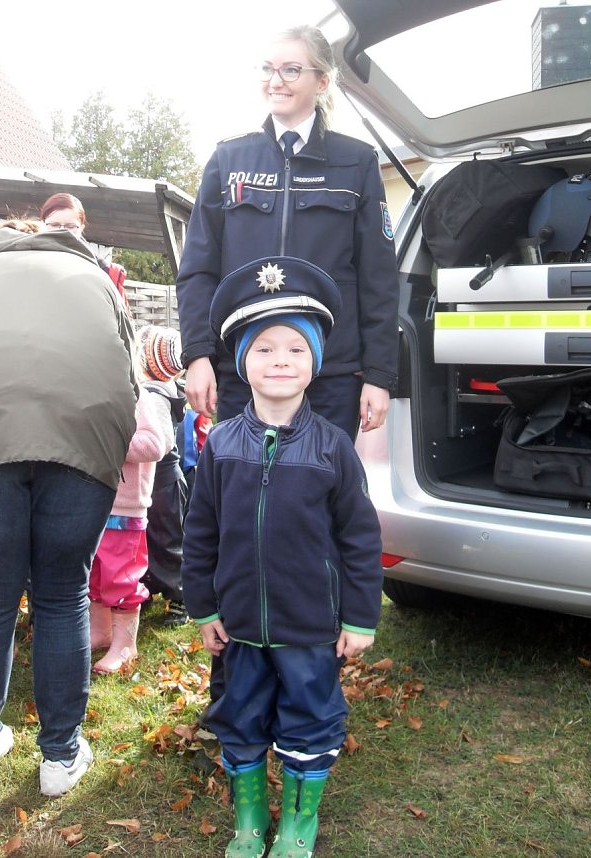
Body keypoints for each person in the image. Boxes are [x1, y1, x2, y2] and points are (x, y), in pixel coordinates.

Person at [181, 256, 383, 857]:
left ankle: (298, 821)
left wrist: (359, 617)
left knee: (309, 720)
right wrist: (203, 606)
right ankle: (248, 818)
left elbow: (359, 538)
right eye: (264, 349)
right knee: (238, 717)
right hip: (239, 625)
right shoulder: (221, 444)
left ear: (314, 364)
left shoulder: (333, 449)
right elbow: (201, 532)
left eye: (296, 349)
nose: (280, 361)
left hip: (310, 628)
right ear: (243, 361)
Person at [0, 221, 138, 796]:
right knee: (62, 595)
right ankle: (61, 757)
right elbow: (129, 374)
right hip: (84, 435)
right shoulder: (97, 278)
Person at [176, 24, 399, 441]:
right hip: (243, 369)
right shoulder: (228, 159)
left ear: (322, 81)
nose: (275, 81)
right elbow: (197, 269)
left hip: (330, 375)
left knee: (320, 499)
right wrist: (198, 356)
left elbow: (378, 278)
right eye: (267, 68)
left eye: (291, 70)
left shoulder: (356, 162)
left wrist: (379, 375)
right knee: (241, 496)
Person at [90, 339, 173, 673]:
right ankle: (101, 630)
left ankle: (126, 644)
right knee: (96, 571)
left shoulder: (138, 397)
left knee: (120, 575)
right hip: (96, 501)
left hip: (125, 507)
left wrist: (109, 442)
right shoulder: (92, 394)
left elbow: (156, 444)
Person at [137, 325, 191, 627]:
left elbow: (162, 444)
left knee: (168, 540)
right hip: (157, 480)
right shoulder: (167, 390)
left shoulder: (156, 396)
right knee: (146, 537)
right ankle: (145, 589)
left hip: (163, 480)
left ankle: (179, 597)